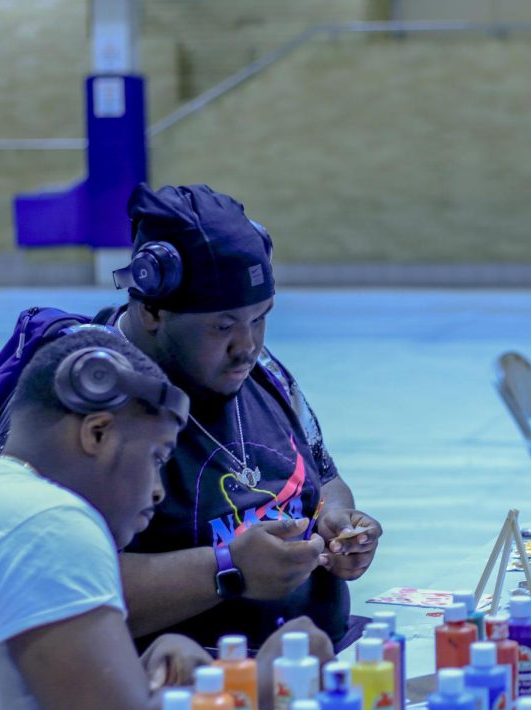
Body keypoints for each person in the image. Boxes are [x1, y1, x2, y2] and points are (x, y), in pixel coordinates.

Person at [104, 183, 383, 653]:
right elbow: (64, 593)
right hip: (192, 693)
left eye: (261, 318)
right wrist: (227, 570)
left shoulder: (264, 369)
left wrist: (336, 521)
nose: (247, 346)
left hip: (318, 660)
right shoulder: (91, 399)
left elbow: (325, 476)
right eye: (223, 325)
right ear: (152, 308)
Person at [0, 328, 204, 710]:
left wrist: (141, 676)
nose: (157, 490)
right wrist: (266, 680)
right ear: (98, 433)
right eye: (156, 457)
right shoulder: (49, 522)